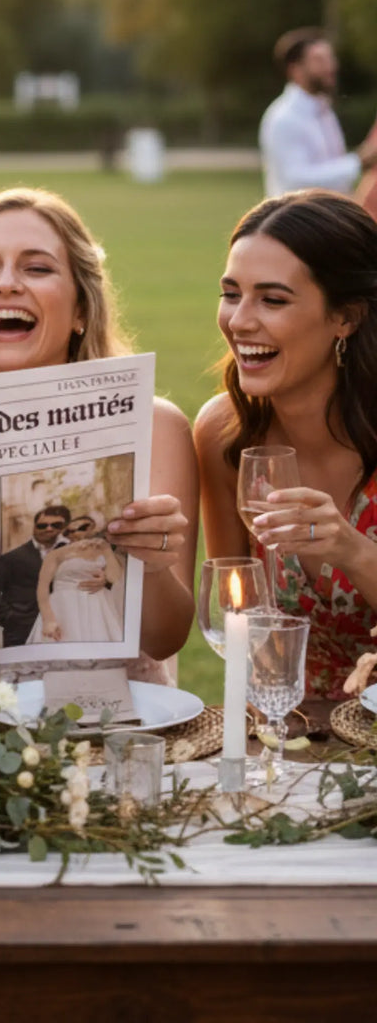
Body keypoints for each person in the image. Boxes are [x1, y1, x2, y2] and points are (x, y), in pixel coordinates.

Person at [0, 187, 199, 678]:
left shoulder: (155, 425)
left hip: (108, 730)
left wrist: (153, 564)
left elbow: (164, 639)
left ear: (80, 310)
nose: (6, 284)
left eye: (37, 268)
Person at [194, 189, 377, 699]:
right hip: (293, 738)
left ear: (347, 317)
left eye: (272, 300)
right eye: (232, 294)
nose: (240, 321)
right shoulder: (224, 435)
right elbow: (237, 618)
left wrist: (352, 550)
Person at [259, 28, 377, 199]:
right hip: (297, 222)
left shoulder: (324, 110)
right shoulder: (283, 117)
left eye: (330, 58)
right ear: (295, 70)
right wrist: (357, 163)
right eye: (319, 60)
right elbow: (296, 180)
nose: (331, 66)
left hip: (329, 219)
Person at [28, 514, 125, 644]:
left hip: (98, 607)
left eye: (84, 527)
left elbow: (114, 578)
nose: (76, 532)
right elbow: (42, 588)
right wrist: (48, 620)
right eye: (69, 530)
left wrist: (106, 549)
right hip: (65, 607)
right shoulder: (56, 554)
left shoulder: (103, 549)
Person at [0, 504, 72, 647]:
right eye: (42, 525)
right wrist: (9, 618)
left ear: (65, 527)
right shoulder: (11, 558)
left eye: (56, 525)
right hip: (21, 631)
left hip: (65, 627)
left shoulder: (74, 554)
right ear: (34, 526)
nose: (49, 528)